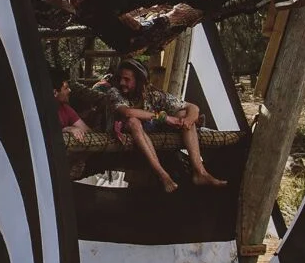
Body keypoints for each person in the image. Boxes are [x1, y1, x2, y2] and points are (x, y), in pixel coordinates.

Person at [93, 60, 225, 192]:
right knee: (133, 121)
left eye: (127, 79)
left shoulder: (153, 94)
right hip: (121, 133)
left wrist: (189, 120)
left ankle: (200, 171)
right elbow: (127, 112)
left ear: (139, 81)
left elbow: (192, 107)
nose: (122, 83)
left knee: (183, 113)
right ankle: (163, 175)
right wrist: (164, 117)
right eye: (121, 78)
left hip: (148, 133)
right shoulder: (114, 93)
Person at [53, 70, 91, 142]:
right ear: (55, 92)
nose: (69, 90)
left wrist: (74, 130)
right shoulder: (39, 110)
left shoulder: (66, 108)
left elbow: (87, 131)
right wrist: (66, 129)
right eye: (66, 88)